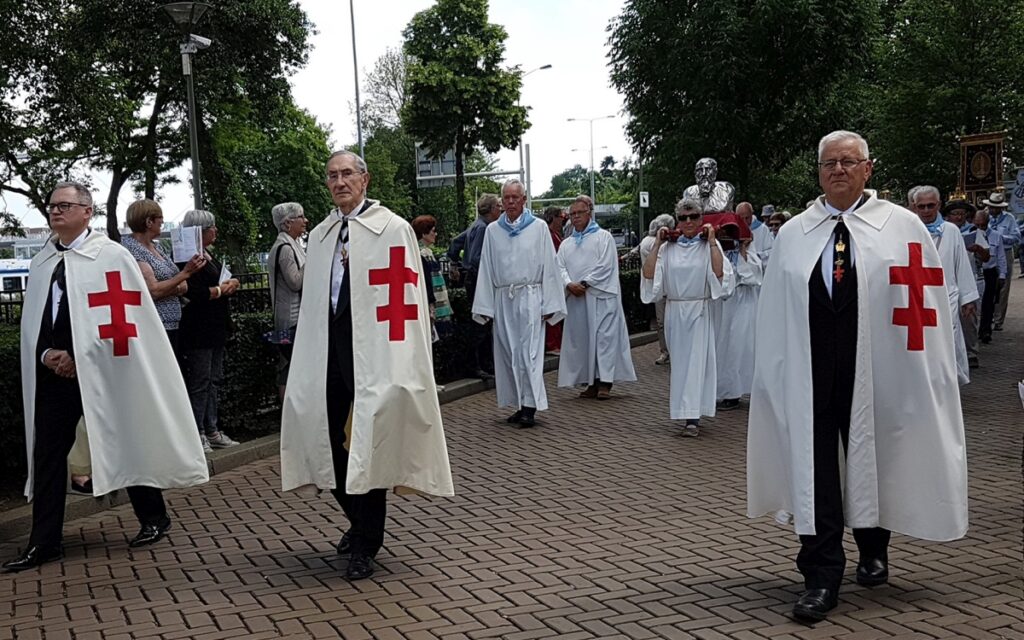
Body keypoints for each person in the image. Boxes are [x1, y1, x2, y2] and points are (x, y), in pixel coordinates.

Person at [747, 131, 968, 622]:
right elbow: (775, 311)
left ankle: (873, 545)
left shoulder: (901, 226)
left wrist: (929, 369)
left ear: (868, 169)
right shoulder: (795, 233)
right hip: (810, 369)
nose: (839, 170)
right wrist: (771, 374)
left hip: (880, 363)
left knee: (876, 453)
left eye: (849, 161)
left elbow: (924, 300)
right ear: (819, 172)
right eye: (829, 163)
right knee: (815, 468)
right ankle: (820, 574)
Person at [4, 182, 208, 573]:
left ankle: (154, 516)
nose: (56, 211)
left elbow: (125, 319)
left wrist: (80, 355)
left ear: (87, 212)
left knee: (124, 437)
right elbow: (34, 324)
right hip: (55, 374)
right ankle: (44, 541)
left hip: (104, 369)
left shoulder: (110, 256)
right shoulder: (43, 261)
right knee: (48, 454)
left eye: (65, 205)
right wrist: (46, 354)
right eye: (52, 205)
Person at [280, 151, 453, 581]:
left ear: (365, 180)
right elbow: (316, 302)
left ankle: (366, 543)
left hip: (375, 355)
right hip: (328, 355)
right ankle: (359, 522)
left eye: (347, 174)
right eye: (332, 176)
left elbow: (406, 300)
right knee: (326, 440)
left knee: (370, 444)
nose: (339, 182)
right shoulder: (322, 235)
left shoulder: (391, 229)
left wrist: (402, 361)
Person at [472, 178, 567, 428]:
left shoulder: (538, 228)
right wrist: (485, 306)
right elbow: (486, 267)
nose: (511, 201)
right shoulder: (493, 231)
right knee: (507, 352)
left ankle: (530, 406)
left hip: (531, 297)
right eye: (507, 197)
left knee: (529, 353)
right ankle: (519, 402)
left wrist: (550, 303)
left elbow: (550, 266)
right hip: (504, 298)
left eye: (516, 197)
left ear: (524, 199)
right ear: (502, 201)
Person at [640, 197, 733, 437]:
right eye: (683, 217)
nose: (688, 221)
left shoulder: (707, 245)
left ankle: (693, 417)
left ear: (701, 219)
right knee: (681, 365)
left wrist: (712, 241)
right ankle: (685, 411)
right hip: (675, 311)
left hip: (698, 310)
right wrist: (657, 243)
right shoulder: (669, 248)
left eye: (693, 217)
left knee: (696, 363)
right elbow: (649, 274)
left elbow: (720, 273)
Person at [556, 195, 636, 399]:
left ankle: (605, 382)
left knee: (604, 339)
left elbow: (605, 265)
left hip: (601, 297)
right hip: (577, 300)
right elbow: (559, 267)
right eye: (572, 214)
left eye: (579, 213)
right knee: (583, 341)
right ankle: (590, 381)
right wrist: (568, 284)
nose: (576, 217)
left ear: (589, 213)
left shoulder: (604, 237)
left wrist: (585, 283)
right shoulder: (566, 244)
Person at [178, 209, 242, 453]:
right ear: (198, 232)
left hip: (216, 326)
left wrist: (231, 283)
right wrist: (218, 291)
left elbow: (222, 279)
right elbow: (190, 291)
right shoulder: (186, 257)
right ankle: (198, 432)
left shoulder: (208, 253)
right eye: (210, 228)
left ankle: (212, 428)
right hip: (198, 328)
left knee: (213, 379)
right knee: (200, 381)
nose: (215, 231)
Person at [907, 186, 978, 385]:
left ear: (938, 205)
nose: (926, 210)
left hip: (947, 296)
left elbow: (961, 264)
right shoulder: (907, 231)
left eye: (930, 205)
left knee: (949, 341)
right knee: (920, 343)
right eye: (921, 206)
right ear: (914, 207)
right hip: (917, 298)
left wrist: (968, 298)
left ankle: (949, 384)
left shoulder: (951, 231)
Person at [121, 199, 206, 353]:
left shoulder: (157, 246)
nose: (162, 222)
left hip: (172, 324)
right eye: (160, 218)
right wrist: (185, 273)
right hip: (154, 325)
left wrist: (171, 285)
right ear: (149, 222)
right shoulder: (132, 249)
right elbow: (153, 291)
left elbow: (183, 287)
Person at [448, 194, 501, 378]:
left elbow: (455, 243)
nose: (500, 209)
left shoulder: (476, 225)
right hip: (479, 280)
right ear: (491, 209)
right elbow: (476, 258)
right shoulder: (484, 229)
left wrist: (454, 263)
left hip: (473, 279)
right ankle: (476, 365)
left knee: (482, 321)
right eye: (498, 206)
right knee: (482, 322)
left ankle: (485, 364)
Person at [715, 235, 762, 409]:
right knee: (721, 346)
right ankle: (722, 390)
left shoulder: (750, 252)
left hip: (742, 303)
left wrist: (742, 250)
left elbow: (753, 277)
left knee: (736, 347)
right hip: (721, 305)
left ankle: (733, 392)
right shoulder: (718, 250)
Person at [268, 202, 307, 399]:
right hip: (291, 318)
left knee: (291, 363)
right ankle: (288, 407)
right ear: (287, 223)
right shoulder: (285, 249)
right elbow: (295, 282)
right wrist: (312, 260)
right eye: (301, 217)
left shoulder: (290, 245)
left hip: (291, 316)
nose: (305, 221)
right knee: (290, 364)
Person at [943, 197, 984, 368]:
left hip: (970, 277)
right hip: (948, 280)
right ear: (948, 216)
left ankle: (971, 351)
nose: (959, 217)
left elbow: (987, 256)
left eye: (962, 213)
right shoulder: (942, 232)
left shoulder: (974, 230)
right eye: (955, 213)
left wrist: (978, 249)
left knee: (969, 318)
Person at [634, 214, 677, 365]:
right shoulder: (652, 243)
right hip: (661, 288)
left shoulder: (673, 243)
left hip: (670, 288)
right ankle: (666, 351)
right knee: (662, 322)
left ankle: (669, 351)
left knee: (665, 322)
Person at [412, 215, 453, 340]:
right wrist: (431, 306)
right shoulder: (422, 254)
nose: (435, 234)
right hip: (434, 308)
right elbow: (427, 282)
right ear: (424, 233)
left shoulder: (426, 252)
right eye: (433, 231)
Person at [984, 191, 1020, 330]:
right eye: (991, 207)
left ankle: (998, 320)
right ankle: (988, 315)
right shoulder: (985, 217)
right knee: (988, 284)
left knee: (1003, 286)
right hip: (988, 253)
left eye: (995, 207)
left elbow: (1016, 237)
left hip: (1005, 252)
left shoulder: (1009, 219)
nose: (992, 209)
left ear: (1001, 208)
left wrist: (999, 238)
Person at [974, 208, 1006, 344]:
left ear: (988, 223)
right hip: (975, 272)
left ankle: (985, 330)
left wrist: (1002, 274)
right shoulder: (970, 235)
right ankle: (973, 330)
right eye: (977, 225)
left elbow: (1001, 256)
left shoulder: (996, 236)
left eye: (983, 225)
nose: (980, 228)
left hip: (990, 272)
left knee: (988, 303)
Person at [543, 206, 567, 354]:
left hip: (557, 277)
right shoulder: (549, 235)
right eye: (561, 217)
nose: (562, 221)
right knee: (553, 309)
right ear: (553, 218)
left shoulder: (556, 235)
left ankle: (556, 342)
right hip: (552, 278)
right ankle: (552, 344)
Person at [736, 201, 773, 266]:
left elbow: (771, 251)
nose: (744, 221)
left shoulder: (763, 229)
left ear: (752, 214)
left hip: (758, 267)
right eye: (741, 219)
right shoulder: (734, 230)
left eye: (747, 218)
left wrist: (756, 257)